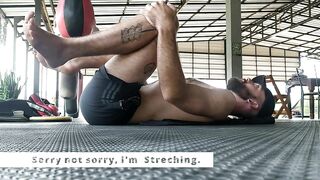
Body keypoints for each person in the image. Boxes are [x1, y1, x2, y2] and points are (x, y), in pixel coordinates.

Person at [24, 1, 275, 125]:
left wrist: (168, 28)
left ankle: (66, 51)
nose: (249, 80)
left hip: (111, 104)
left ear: (252, 103)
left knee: (158, 29)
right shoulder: (220, 97)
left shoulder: (224, 102)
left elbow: (174, 93)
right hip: (114, 100)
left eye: (256, 86)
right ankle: (71, 60)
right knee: (156, 33)